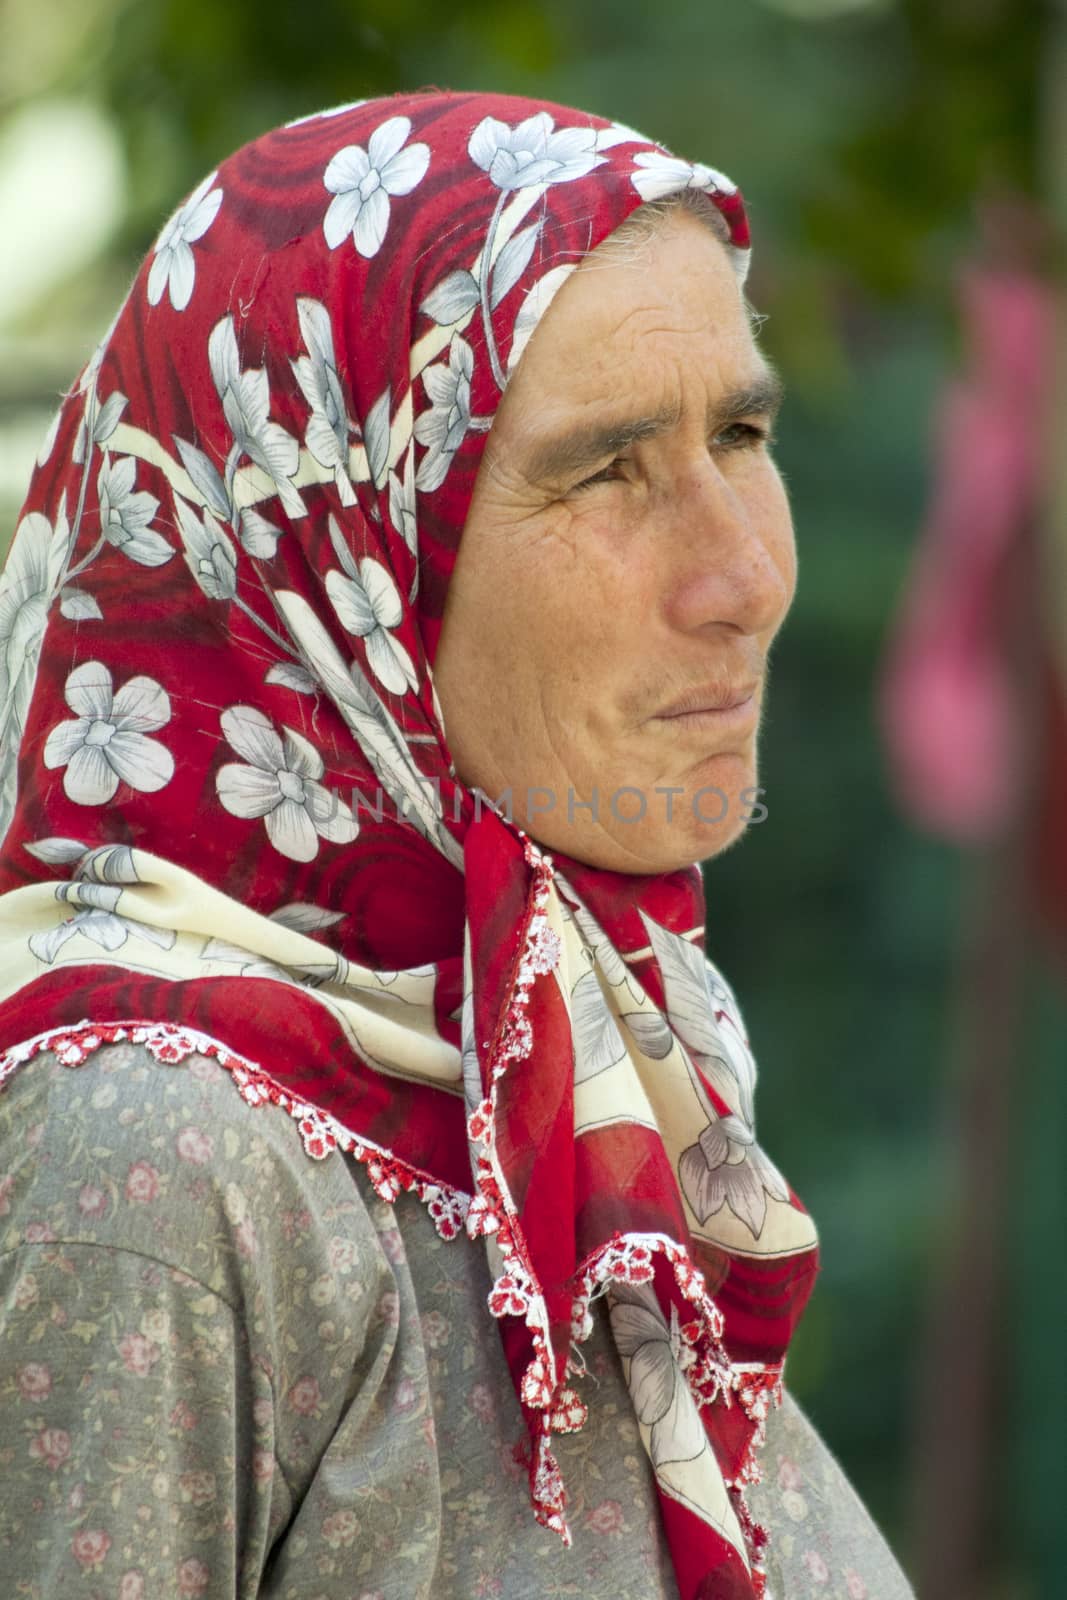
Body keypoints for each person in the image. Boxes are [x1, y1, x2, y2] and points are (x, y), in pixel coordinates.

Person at [0, 90, 914, 1599]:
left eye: (741, 433)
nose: (744, 576)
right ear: (335, 549)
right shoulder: (156, 1164)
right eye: (610, 467)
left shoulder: (559, 1081)